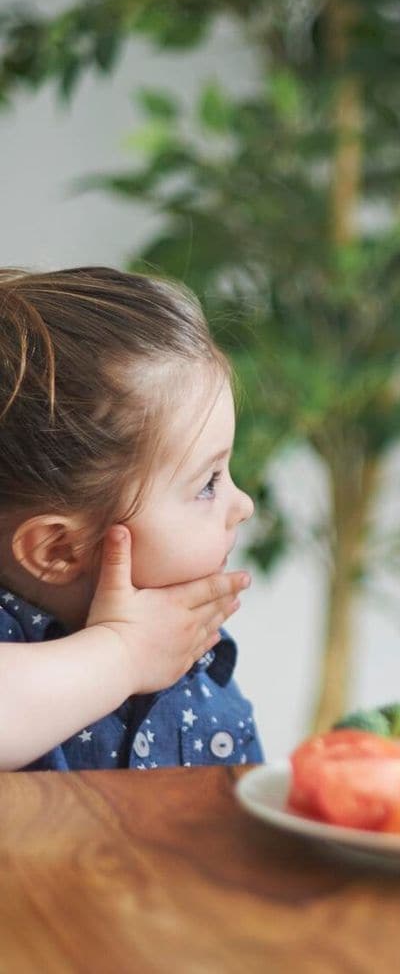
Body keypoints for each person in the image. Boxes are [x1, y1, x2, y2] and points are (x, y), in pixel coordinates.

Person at [0, 266, 259, 770]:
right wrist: (121, 655)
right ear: (59, 549)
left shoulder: (195, 654)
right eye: (207, 483)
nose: (243, 503)